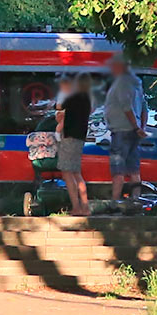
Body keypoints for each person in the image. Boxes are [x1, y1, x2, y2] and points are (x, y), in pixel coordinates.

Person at [104, 52, 148, 200]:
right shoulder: (137, 83)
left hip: (122, 131)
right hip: (133, 133)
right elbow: (144, 108)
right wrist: (142, 128)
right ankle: (136, 200)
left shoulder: (122, 83)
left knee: (118, 172)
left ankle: (115, 203)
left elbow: (126, 107)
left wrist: (136, 127)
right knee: (134, 170)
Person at [56, 72, 92, 216]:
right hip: (80, 137)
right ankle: (85, 207)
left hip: (69, 136)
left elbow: (59, 106)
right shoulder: (87, 98)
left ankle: (76, 207)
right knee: (77, 173)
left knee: (67, 173)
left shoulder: (72, 96)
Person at [54, 73, 73, 140]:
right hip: (61, 112)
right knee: (63, 121)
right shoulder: (62, 95)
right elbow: (58, 107)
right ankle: (57, 133)